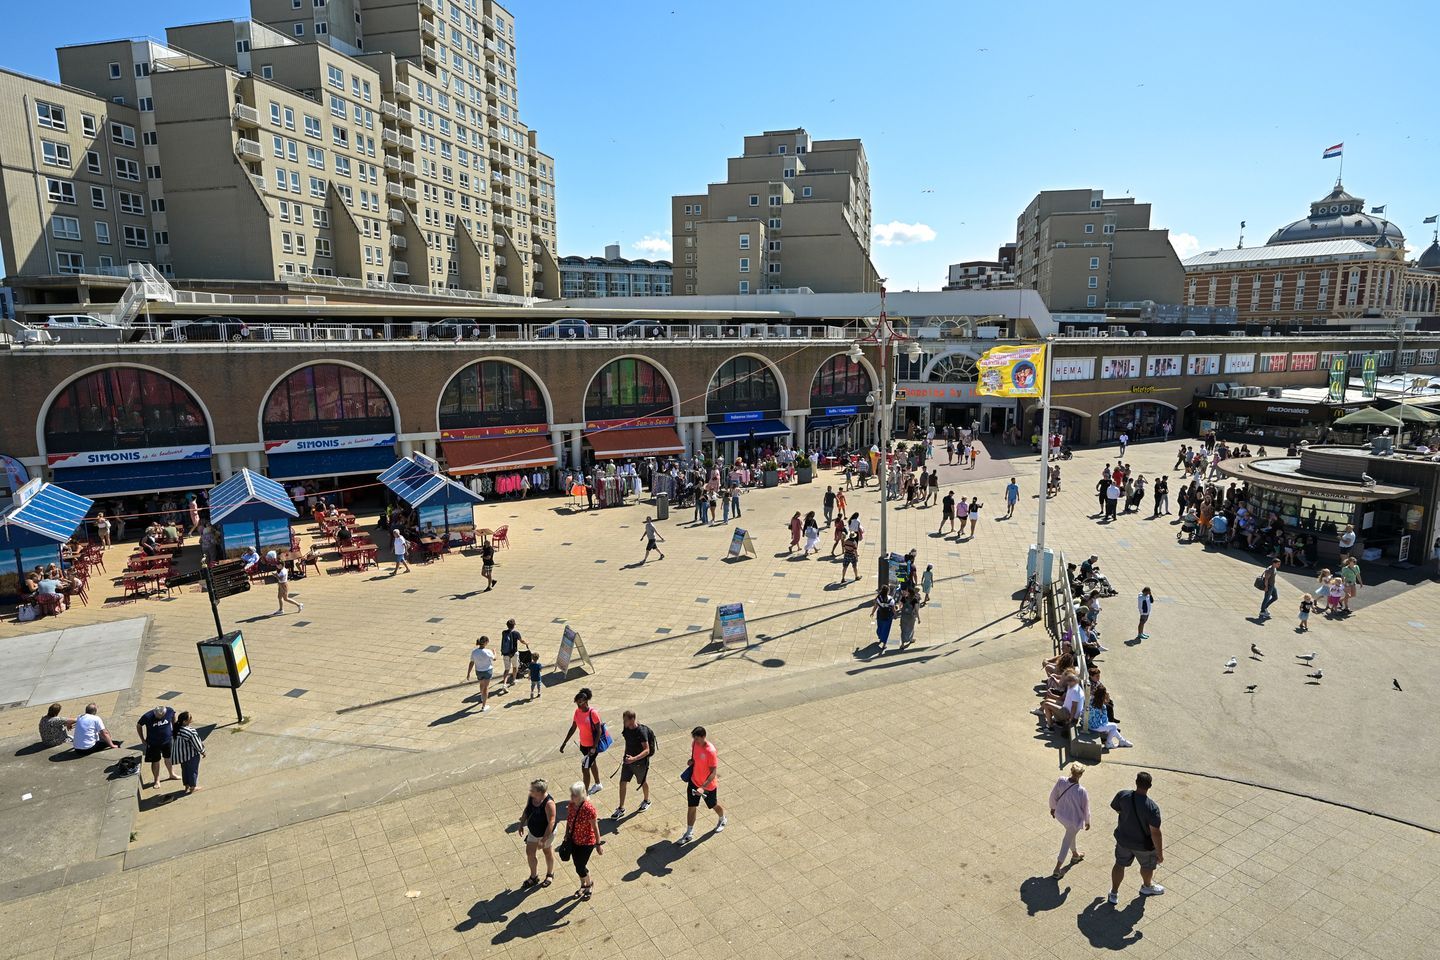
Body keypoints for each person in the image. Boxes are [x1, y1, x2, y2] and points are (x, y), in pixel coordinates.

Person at [1109, 772, 1164, 903]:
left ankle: (1114, 893)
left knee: (1119, 865)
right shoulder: (1152, 808)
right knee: (1147, 866)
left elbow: (1116, 808)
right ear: (1150, 786)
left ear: (1136, 782)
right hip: (1143, 846)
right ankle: (1146, 887)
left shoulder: (1123, 795)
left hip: (1123, 841)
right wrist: (1159, 853)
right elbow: (1155, 833)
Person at [678, 726, 726, 844]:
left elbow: (713, 772)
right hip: (694, 781)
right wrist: (691, 761)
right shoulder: (695, 743)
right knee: (691, 807)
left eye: (697, 739)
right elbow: (694, 758)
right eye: (694, 739)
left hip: (707, 786)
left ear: (703, 737)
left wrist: (703, 787)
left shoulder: (710, 751)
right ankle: (689, 833)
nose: (695, 741)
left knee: (713, 805)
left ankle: (722, 819)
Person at [559, 688, 605, 795]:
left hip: (592, 747)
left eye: (580, 702)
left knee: (585, 768)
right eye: (577, 702)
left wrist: (594, 747)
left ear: (586, 701)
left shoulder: (592, 713)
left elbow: (599, 730)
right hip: (583, 745)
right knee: (591, 763)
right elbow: (573, 728)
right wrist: (564, 743)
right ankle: (598, 784)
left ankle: (585, 795)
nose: (578, 705)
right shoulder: (577, 712)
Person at [1049, 764, 1091, 878]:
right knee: (1066, 841)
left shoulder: (1061, 781)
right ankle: (1057, 869)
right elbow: (1086, 808)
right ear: (1081, 775)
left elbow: (1053, 796)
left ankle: (1075, 855)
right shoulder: (1081, 791)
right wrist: (1087, 821)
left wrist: (1053, 808)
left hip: (1060, 815)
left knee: (1070, 834)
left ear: (1071, 771)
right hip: (1073, 820)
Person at [612, 710, 657, 819]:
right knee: (622, 782)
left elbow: (647, 750)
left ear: (632, 719)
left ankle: (647, 800)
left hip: (639, 763)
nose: (624, 722)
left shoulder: (641, 732)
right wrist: (627, 757)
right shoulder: (626, 728)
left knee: (642, 782)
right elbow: (628, 742)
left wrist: (634, 759)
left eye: (626, 720)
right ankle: (621, 808)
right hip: (628, 761)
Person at [564, 782, 602, 899]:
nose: (571, 796)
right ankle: (583, 885)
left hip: (587, 842)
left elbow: (595, 828)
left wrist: (598, 844)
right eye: (571, 794)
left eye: (574, 795)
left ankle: (589, 884)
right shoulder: (571, 805)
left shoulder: (588, 809)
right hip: (574, 840)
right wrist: (566, 834)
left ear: (581, 796)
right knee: (577, 865)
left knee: (580, 865)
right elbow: (569, 820)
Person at [517, 779, 556, 889]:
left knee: (547, 852)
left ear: (539, 792)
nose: (530, 791)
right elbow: (527, 809)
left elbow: (551, 822)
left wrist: (543, 840)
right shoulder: (532, 797)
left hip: (546, 833)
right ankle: (534, 876)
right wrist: (521, 824)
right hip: (534, 832)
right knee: (530, 852)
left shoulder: (549, 803)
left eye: (532, 790)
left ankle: (550, 874)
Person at [136, 705, 177, 788]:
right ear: (154, 712)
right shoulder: (147, 716)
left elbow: (173, 715)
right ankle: (156, 780)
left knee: (168, 758)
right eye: (158, 716)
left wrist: (174, 728)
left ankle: (171, 774)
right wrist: (142, 739)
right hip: (153, 743)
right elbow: (139, 725)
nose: (160, 718)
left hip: (167, 741)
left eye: (162, 716)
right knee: (155, 761)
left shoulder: (169, 711)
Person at [171, 711, 206, 794]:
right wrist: (203, 752)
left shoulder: (176, 729)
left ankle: (186, 785)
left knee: (185, 770)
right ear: (185, 721)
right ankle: (193, 787)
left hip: (181, 756)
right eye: (190, 718)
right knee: (193, 770)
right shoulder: (190, 731)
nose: (191, 719)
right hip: (191, 755)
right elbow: (197, 744)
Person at [465, 637, 495, 712]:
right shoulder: (488, 651)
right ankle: (484, 706)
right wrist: (494, 652)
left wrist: (468, 673)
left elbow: (471, 662)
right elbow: (494, 658)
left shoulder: (474, 652)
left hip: (478, 671)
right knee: (486, 687)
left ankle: (482, 697)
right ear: (485, 642)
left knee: (481, 684)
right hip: (487, 670)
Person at [499, 619, 527, 690]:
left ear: (507, 625)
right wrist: (526, 643)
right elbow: (521, 641)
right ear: (514, 625)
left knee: (506, 669)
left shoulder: (504, 632)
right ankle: (514, 680)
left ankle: (504, 684)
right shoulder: (516, 633)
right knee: (515, 667)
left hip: (505, 653)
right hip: (514, 653)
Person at [870, 583, 897, 654]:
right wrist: (895, 615)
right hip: (888, 616)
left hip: (880, 615)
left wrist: (872, 612)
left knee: (880, 626)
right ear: (888, 591)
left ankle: (880, 635)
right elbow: (893, 609)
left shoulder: (878, 598)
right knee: (886, 630)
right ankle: (884, 644)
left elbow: (875, 606)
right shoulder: (891, 600)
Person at [898, 584, 921, 649]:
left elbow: (900, 605)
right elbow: (916, 610)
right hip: (911, 617)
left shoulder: (904, 598)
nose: (905, 591)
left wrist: (902, 597)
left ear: (909, 592)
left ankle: (902, 644)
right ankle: (910, 639)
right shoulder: (915, 600)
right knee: (911, 628)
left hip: (904, 616)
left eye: (907, 591)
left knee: (903, 629)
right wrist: (918, 618)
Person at [1257, 556, 1280, 620]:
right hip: (1269, 586)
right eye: (1278, 564)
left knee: (1275, 597)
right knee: (1266, 598)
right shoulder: (1270, 569)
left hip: (1272, 586)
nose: (1279, 565)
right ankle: (1262, 611)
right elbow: (1266, 579)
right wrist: (1266, 587)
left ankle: (1265, 607)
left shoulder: (1274, 568)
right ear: (1274, 563)